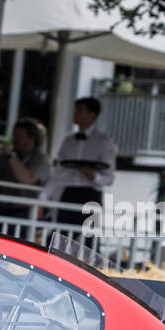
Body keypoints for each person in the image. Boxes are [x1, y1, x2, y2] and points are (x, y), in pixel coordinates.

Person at [38, 97, 117, 241]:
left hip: (90, 194)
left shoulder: (104, 142)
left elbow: (109, 178)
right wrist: (43, 196)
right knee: (60, 237)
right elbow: (59, 172)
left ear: (92, 114)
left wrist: (93, 175)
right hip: (69, 193)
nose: (75, 113)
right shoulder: (69, 141)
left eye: (80, 110)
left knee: (89, 239)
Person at [0, 117, 51, 219]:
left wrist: (10, 156)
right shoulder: (8, 157)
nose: (14, 139)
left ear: (32, 138)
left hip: (28, 211)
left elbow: (28, 178)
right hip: (5, 208)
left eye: (19, 135)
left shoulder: (42, 158)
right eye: (14, 135)